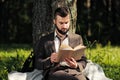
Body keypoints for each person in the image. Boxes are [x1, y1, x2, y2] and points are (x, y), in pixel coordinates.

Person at [34, 7, 87, 80]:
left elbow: (83, 60)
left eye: (66, 23)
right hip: (55, 71)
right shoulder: (45, 40)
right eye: (61, 23)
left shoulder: (77, 38)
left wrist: (76, 65)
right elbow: (37, 62)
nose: (64, 26)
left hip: (74, 71)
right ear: (54, 21)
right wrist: (50, 60)